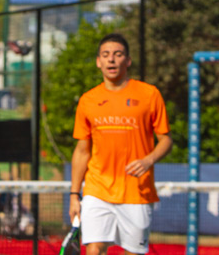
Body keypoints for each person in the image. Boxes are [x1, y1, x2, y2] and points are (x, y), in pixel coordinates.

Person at [69, 33, 173, 255]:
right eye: (106, 55)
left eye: (118, 54)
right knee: (94, 248)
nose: (111, 60)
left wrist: (148, 160)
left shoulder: (149, 94)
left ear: (128, 60)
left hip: (137, 191)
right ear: (99, 62)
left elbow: (166, 140)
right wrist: (74, 194)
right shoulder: (88, 99)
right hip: (97, 189)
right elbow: (81, 151)